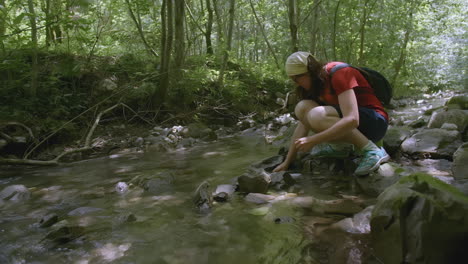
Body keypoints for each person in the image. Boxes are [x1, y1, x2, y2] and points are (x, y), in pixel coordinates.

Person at [273, 51, 389, 175]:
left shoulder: (340, 73)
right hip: (355, 127)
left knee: (317, 115)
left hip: (375, 122)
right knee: (302, 107)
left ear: (311, 71)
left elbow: (352, 119)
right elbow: (303, 125)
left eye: (298, 77)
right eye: (292, 79)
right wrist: (287, 162)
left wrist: (314, 140)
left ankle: (372, 151)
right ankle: (341, 148)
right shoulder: (314, 86)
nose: (296, 83)